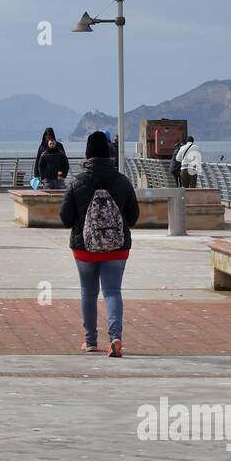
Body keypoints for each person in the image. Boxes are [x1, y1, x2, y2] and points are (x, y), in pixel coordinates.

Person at [60, 131, 140, 357]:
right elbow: (133, 217)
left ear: (87, 153)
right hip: (117, 248)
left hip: (85, 249)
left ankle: (91, 341)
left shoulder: (77, 182)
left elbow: (65, 218)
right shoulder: (122, 181)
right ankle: (115, 337)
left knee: (88, 293)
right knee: (113, 292)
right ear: (109, 152)